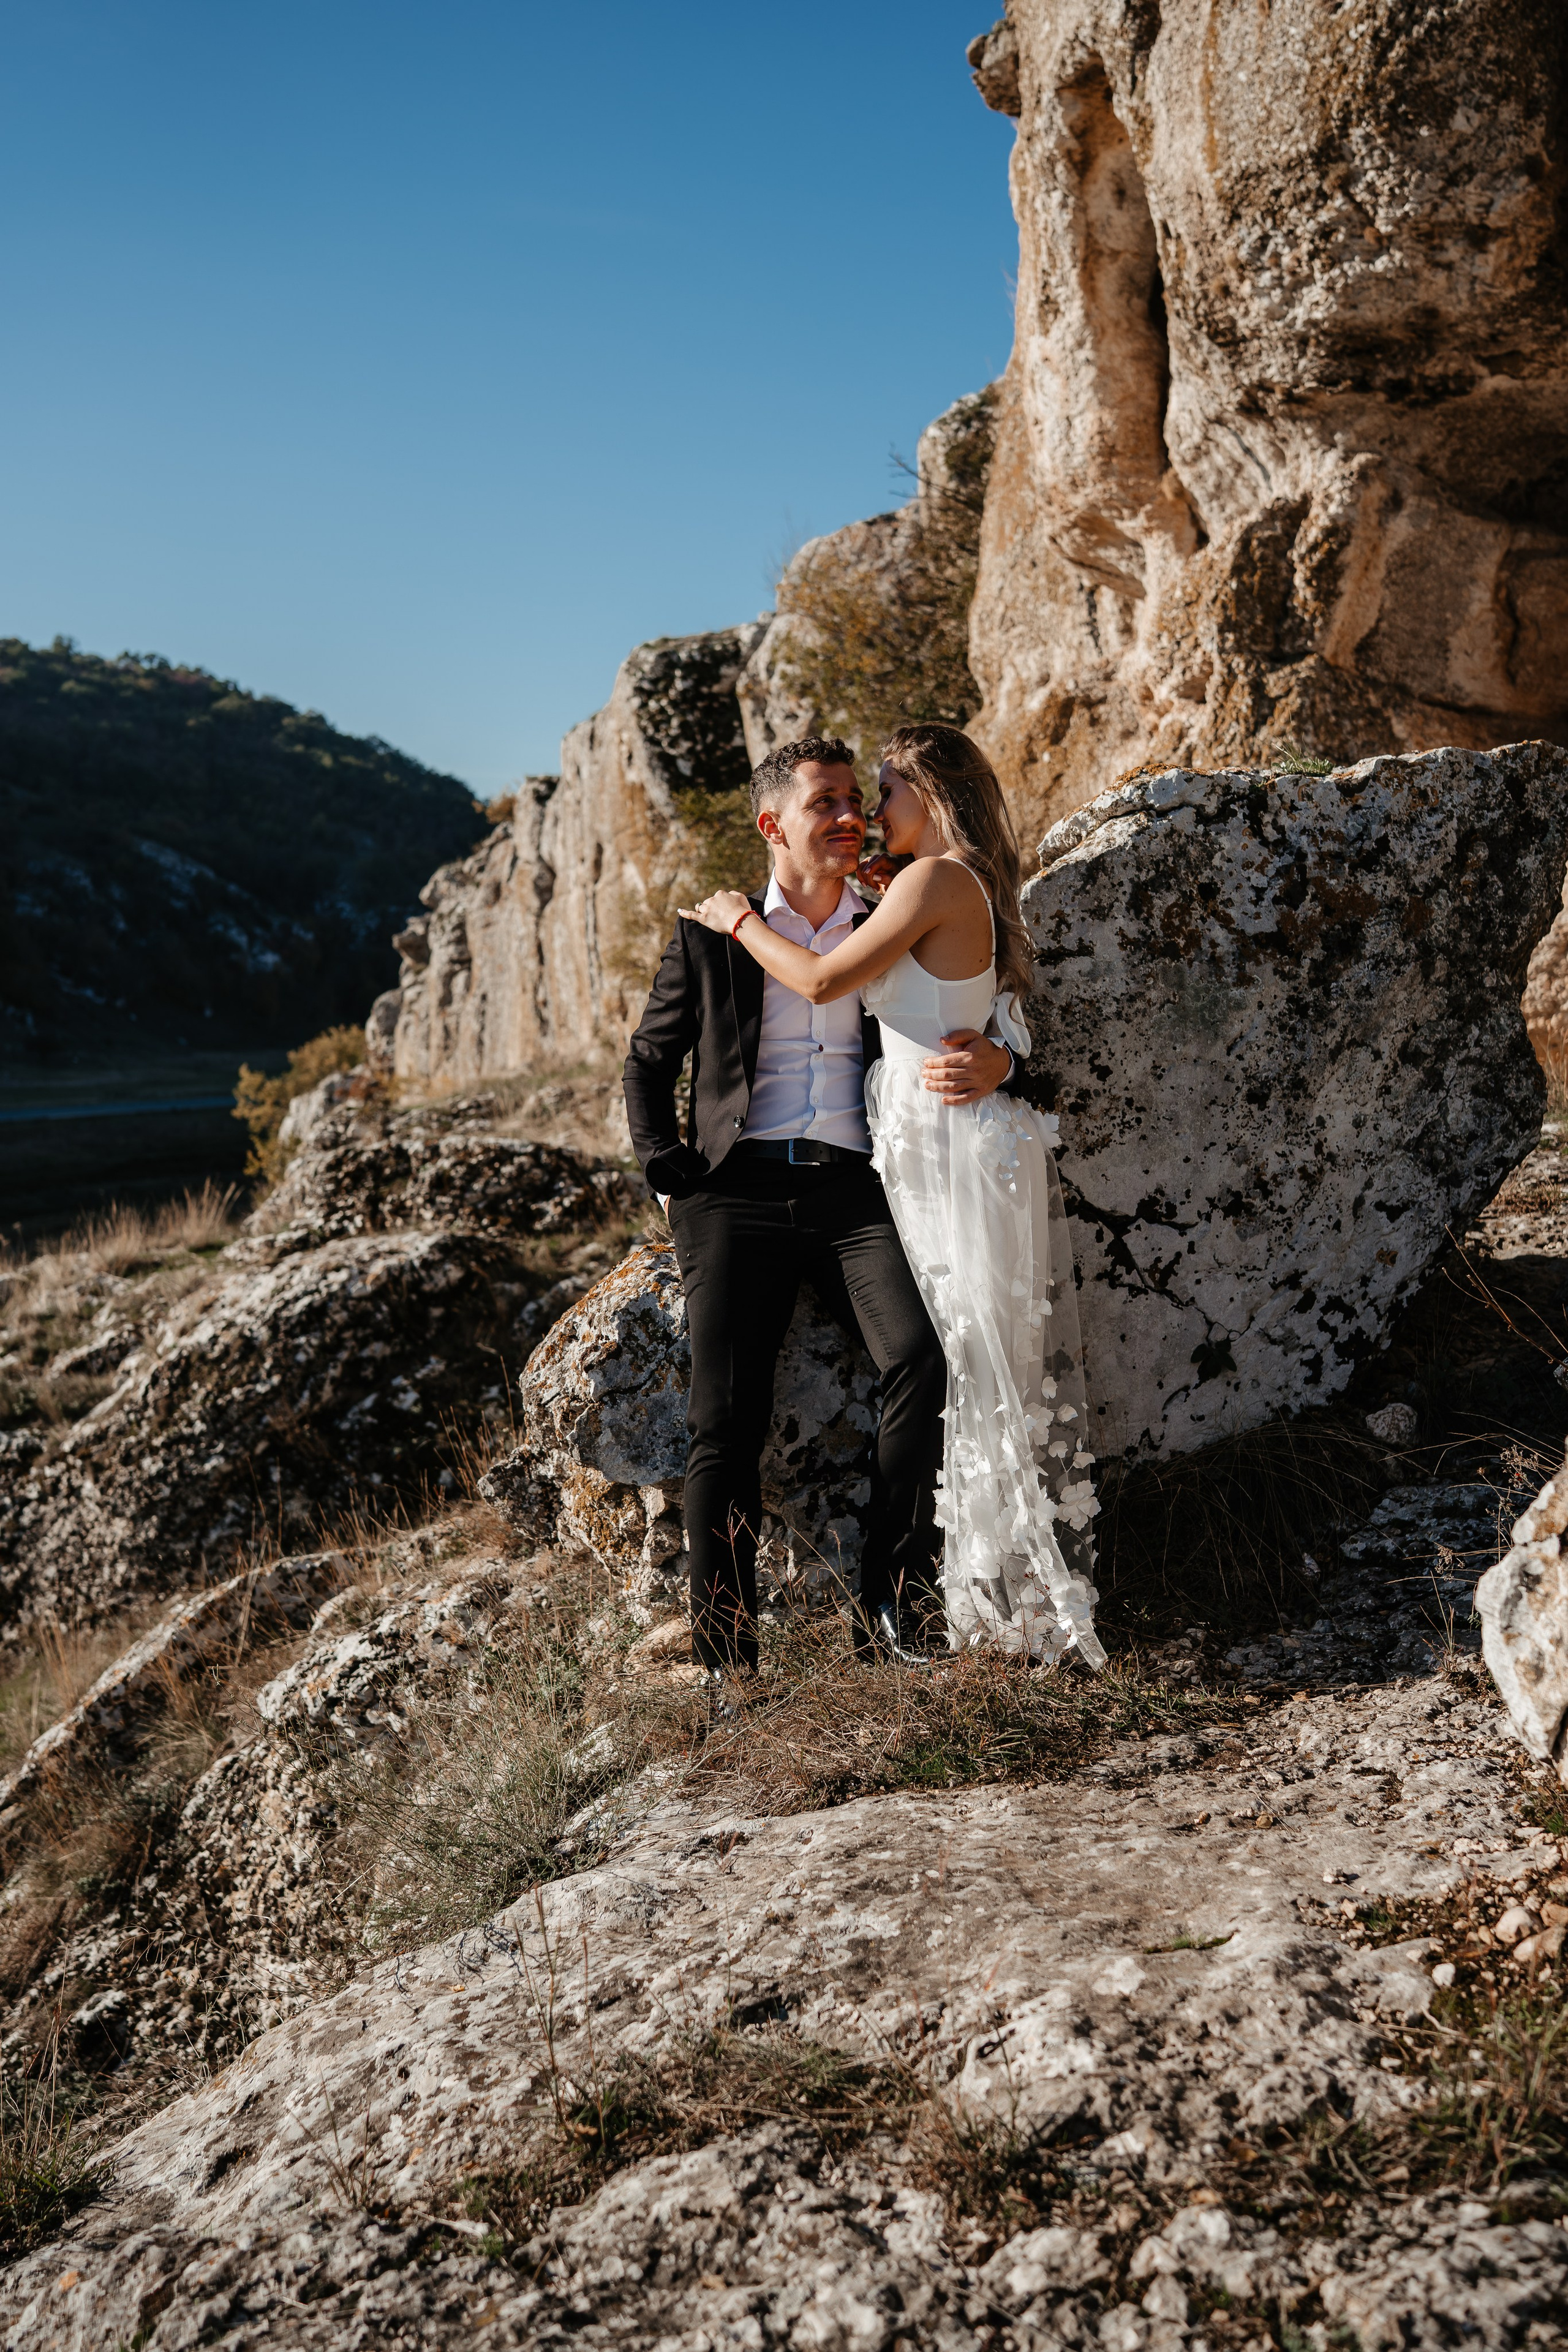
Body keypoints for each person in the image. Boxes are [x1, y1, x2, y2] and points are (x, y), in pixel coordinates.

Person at [680, 722, 1104, 1668]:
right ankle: (748, 1649)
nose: (868, 813)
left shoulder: (928, 880)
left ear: (931, 795)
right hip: (869, 1163)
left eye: (882, 792)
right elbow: (986, 1003)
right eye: (838, 800)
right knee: (940, 1363)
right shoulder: (920, 886)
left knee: (951, 1358)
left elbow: (832, 978)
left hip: (921, 1161)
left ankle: (935, 1599)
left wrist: (736, 919)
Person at [622, 734, 1018, 1686]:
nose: (855, 817)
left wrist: (1004, 1061)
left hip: (853, 1188)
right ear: (773, 826)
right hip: (736, 1192)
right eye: (828, 803)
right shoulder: (708, 936)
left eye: (858, 799)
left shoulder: (896, 910)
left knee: (919, 1361)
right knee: (726, 1421)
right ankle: (730, 1666)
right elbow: (647, 1060)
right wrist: (672, 1172)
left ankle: (893, 1607)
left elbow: (982, 1006)